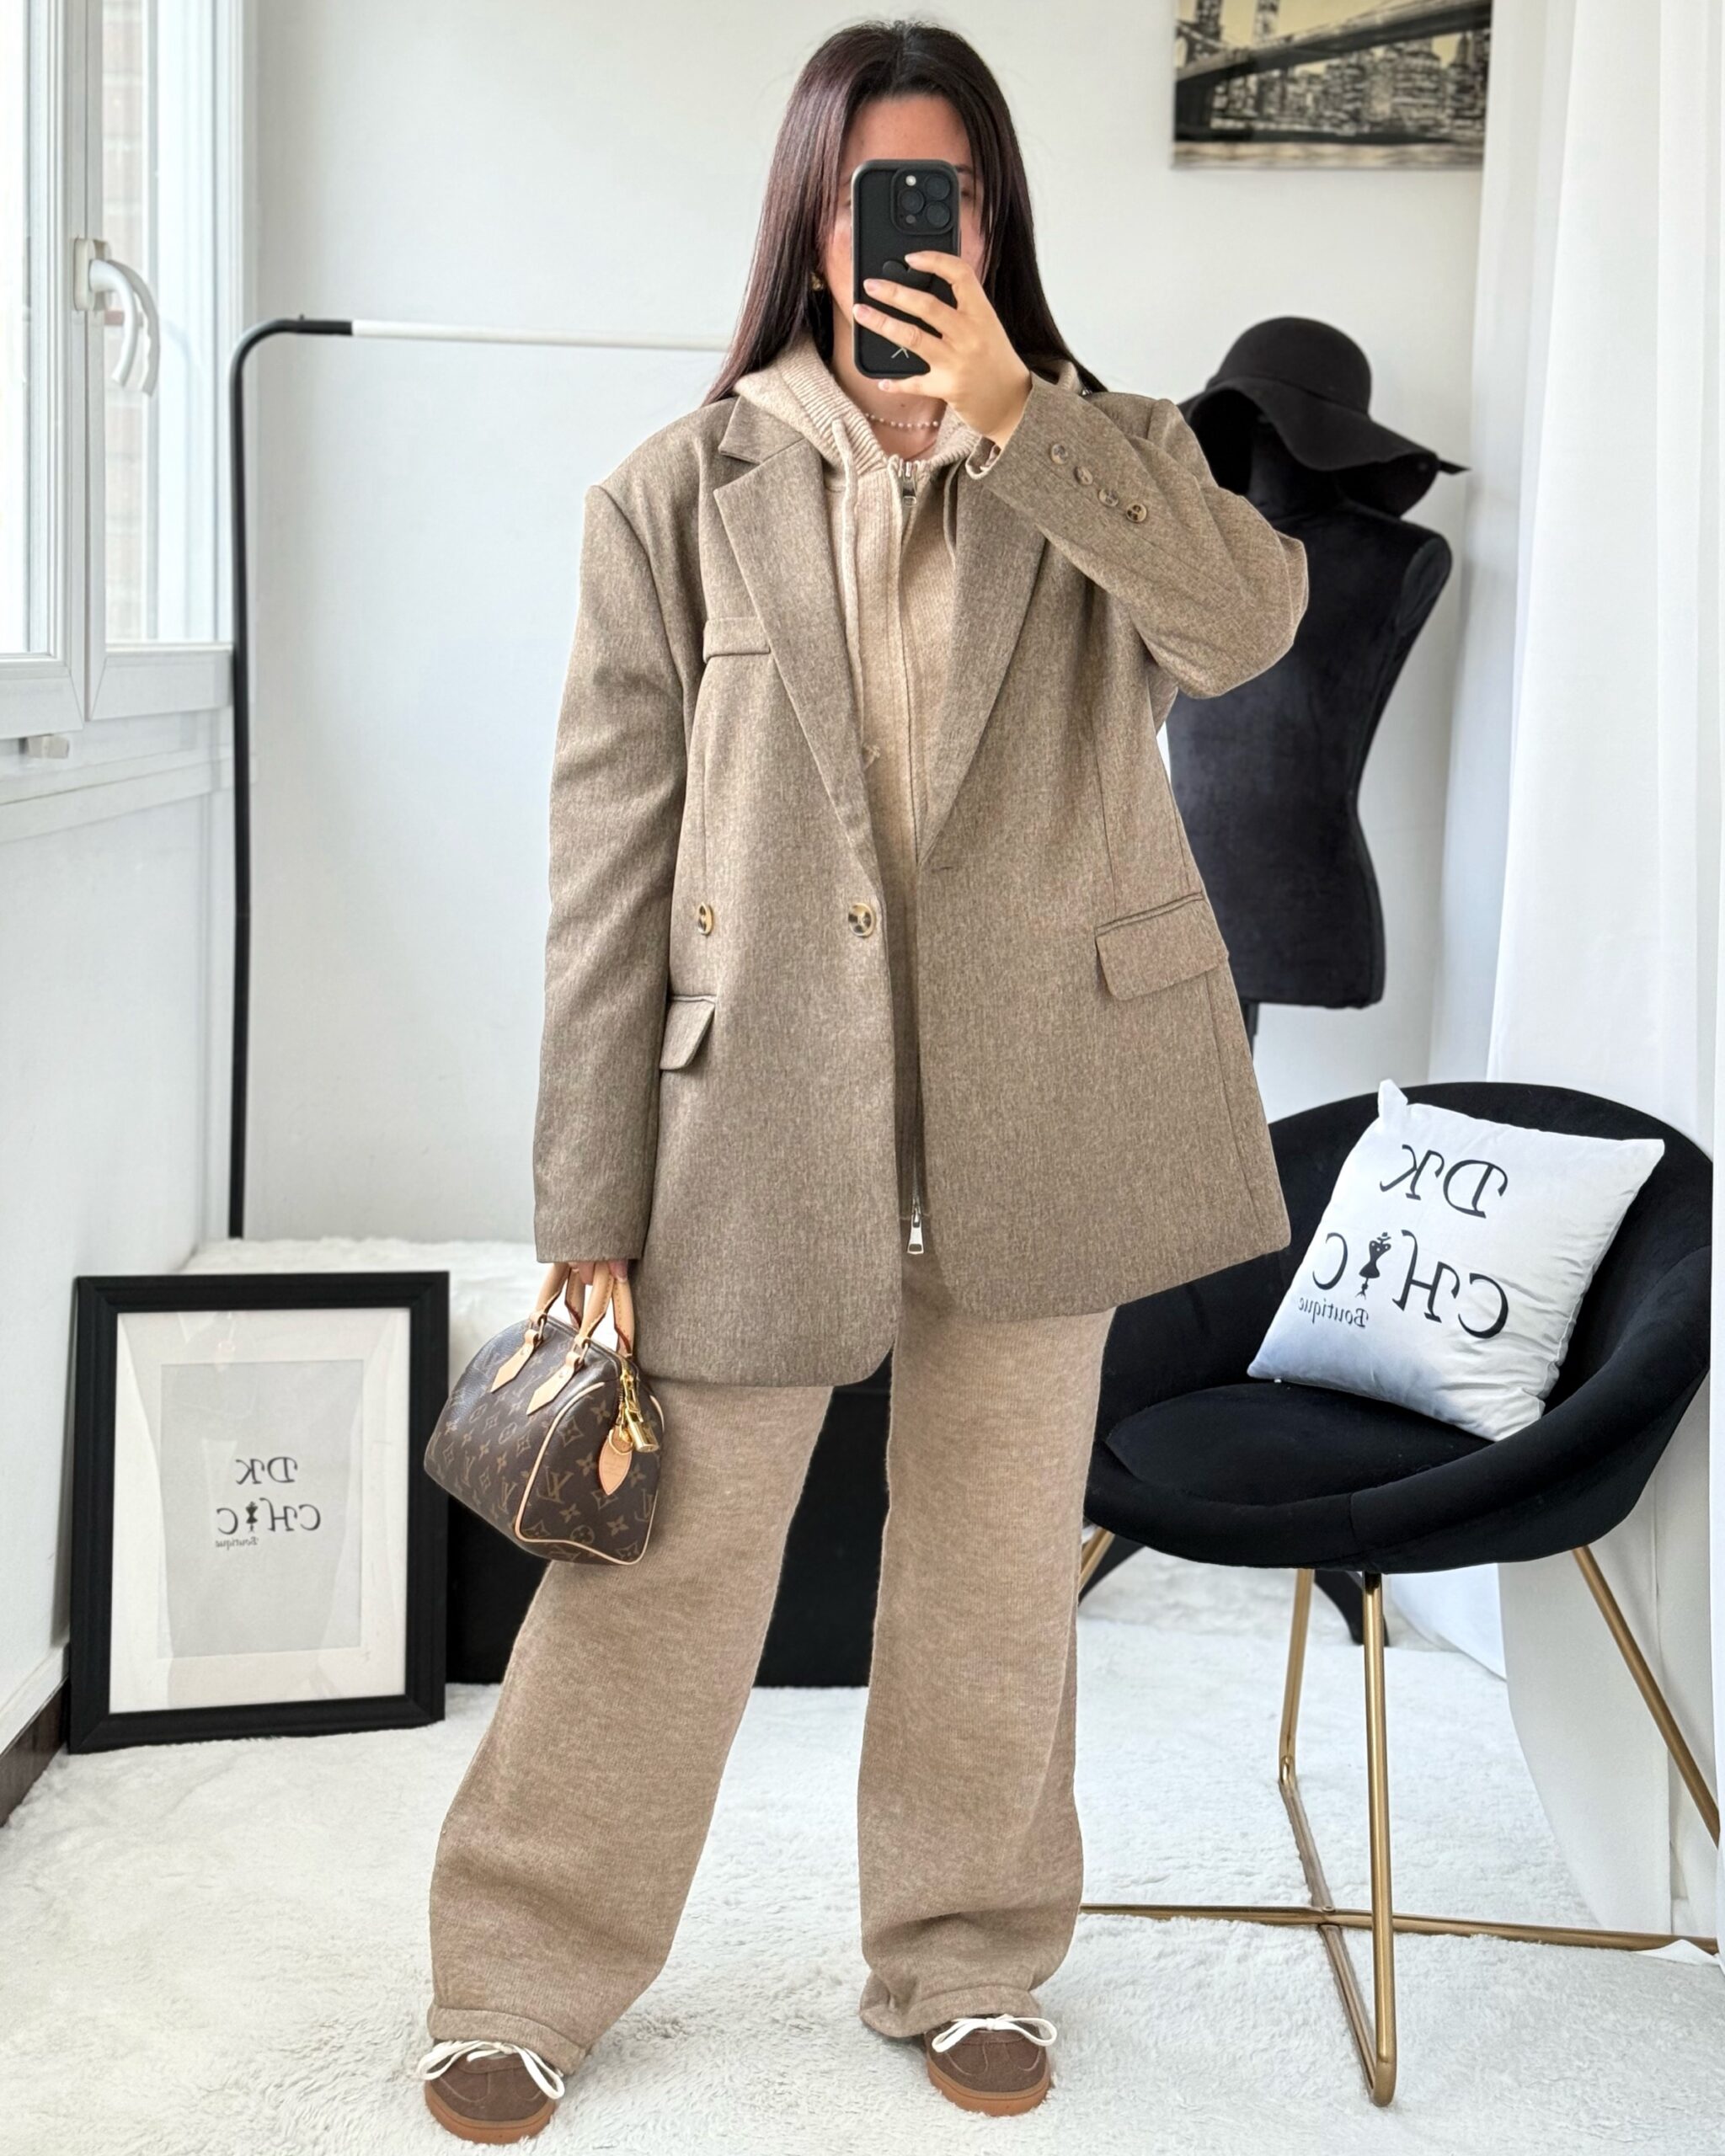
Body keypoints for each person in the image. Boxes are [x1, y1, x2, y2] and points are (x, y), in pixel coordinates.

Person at [415, 18, 1308, 2143]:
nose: (907, 230)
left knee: (994, 1569)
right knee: (655, 1573)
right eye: (868, 194)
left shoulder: (1109, 451)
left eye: (948, 192)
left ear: (993, 218)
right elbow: (607, 870)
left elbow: (1246, 630)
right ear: (808, 222)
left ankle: (968, 1952)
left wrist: (1021, 421)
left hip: (1045, 1106)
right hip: (754, 1122)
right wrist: (583, 1207)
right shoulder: (677, 492)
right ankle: (517, 1969)